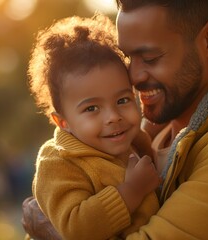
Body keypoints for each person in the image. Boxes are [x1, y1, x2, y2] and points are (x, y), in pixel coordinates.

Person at [22, 0, 208, 239]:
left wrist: (51, 233)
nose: (133, 76)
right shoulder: (141, 134)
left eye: (150, 58)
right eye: (128, 58)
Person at [26, 14, 162, 240]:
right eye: (91, 109)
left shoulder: (138, 141)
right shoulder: (58, 162)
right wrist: (132, 191)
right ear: (63, 122)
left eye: (122, 100)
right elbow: (75, 228)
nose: (113, 117)